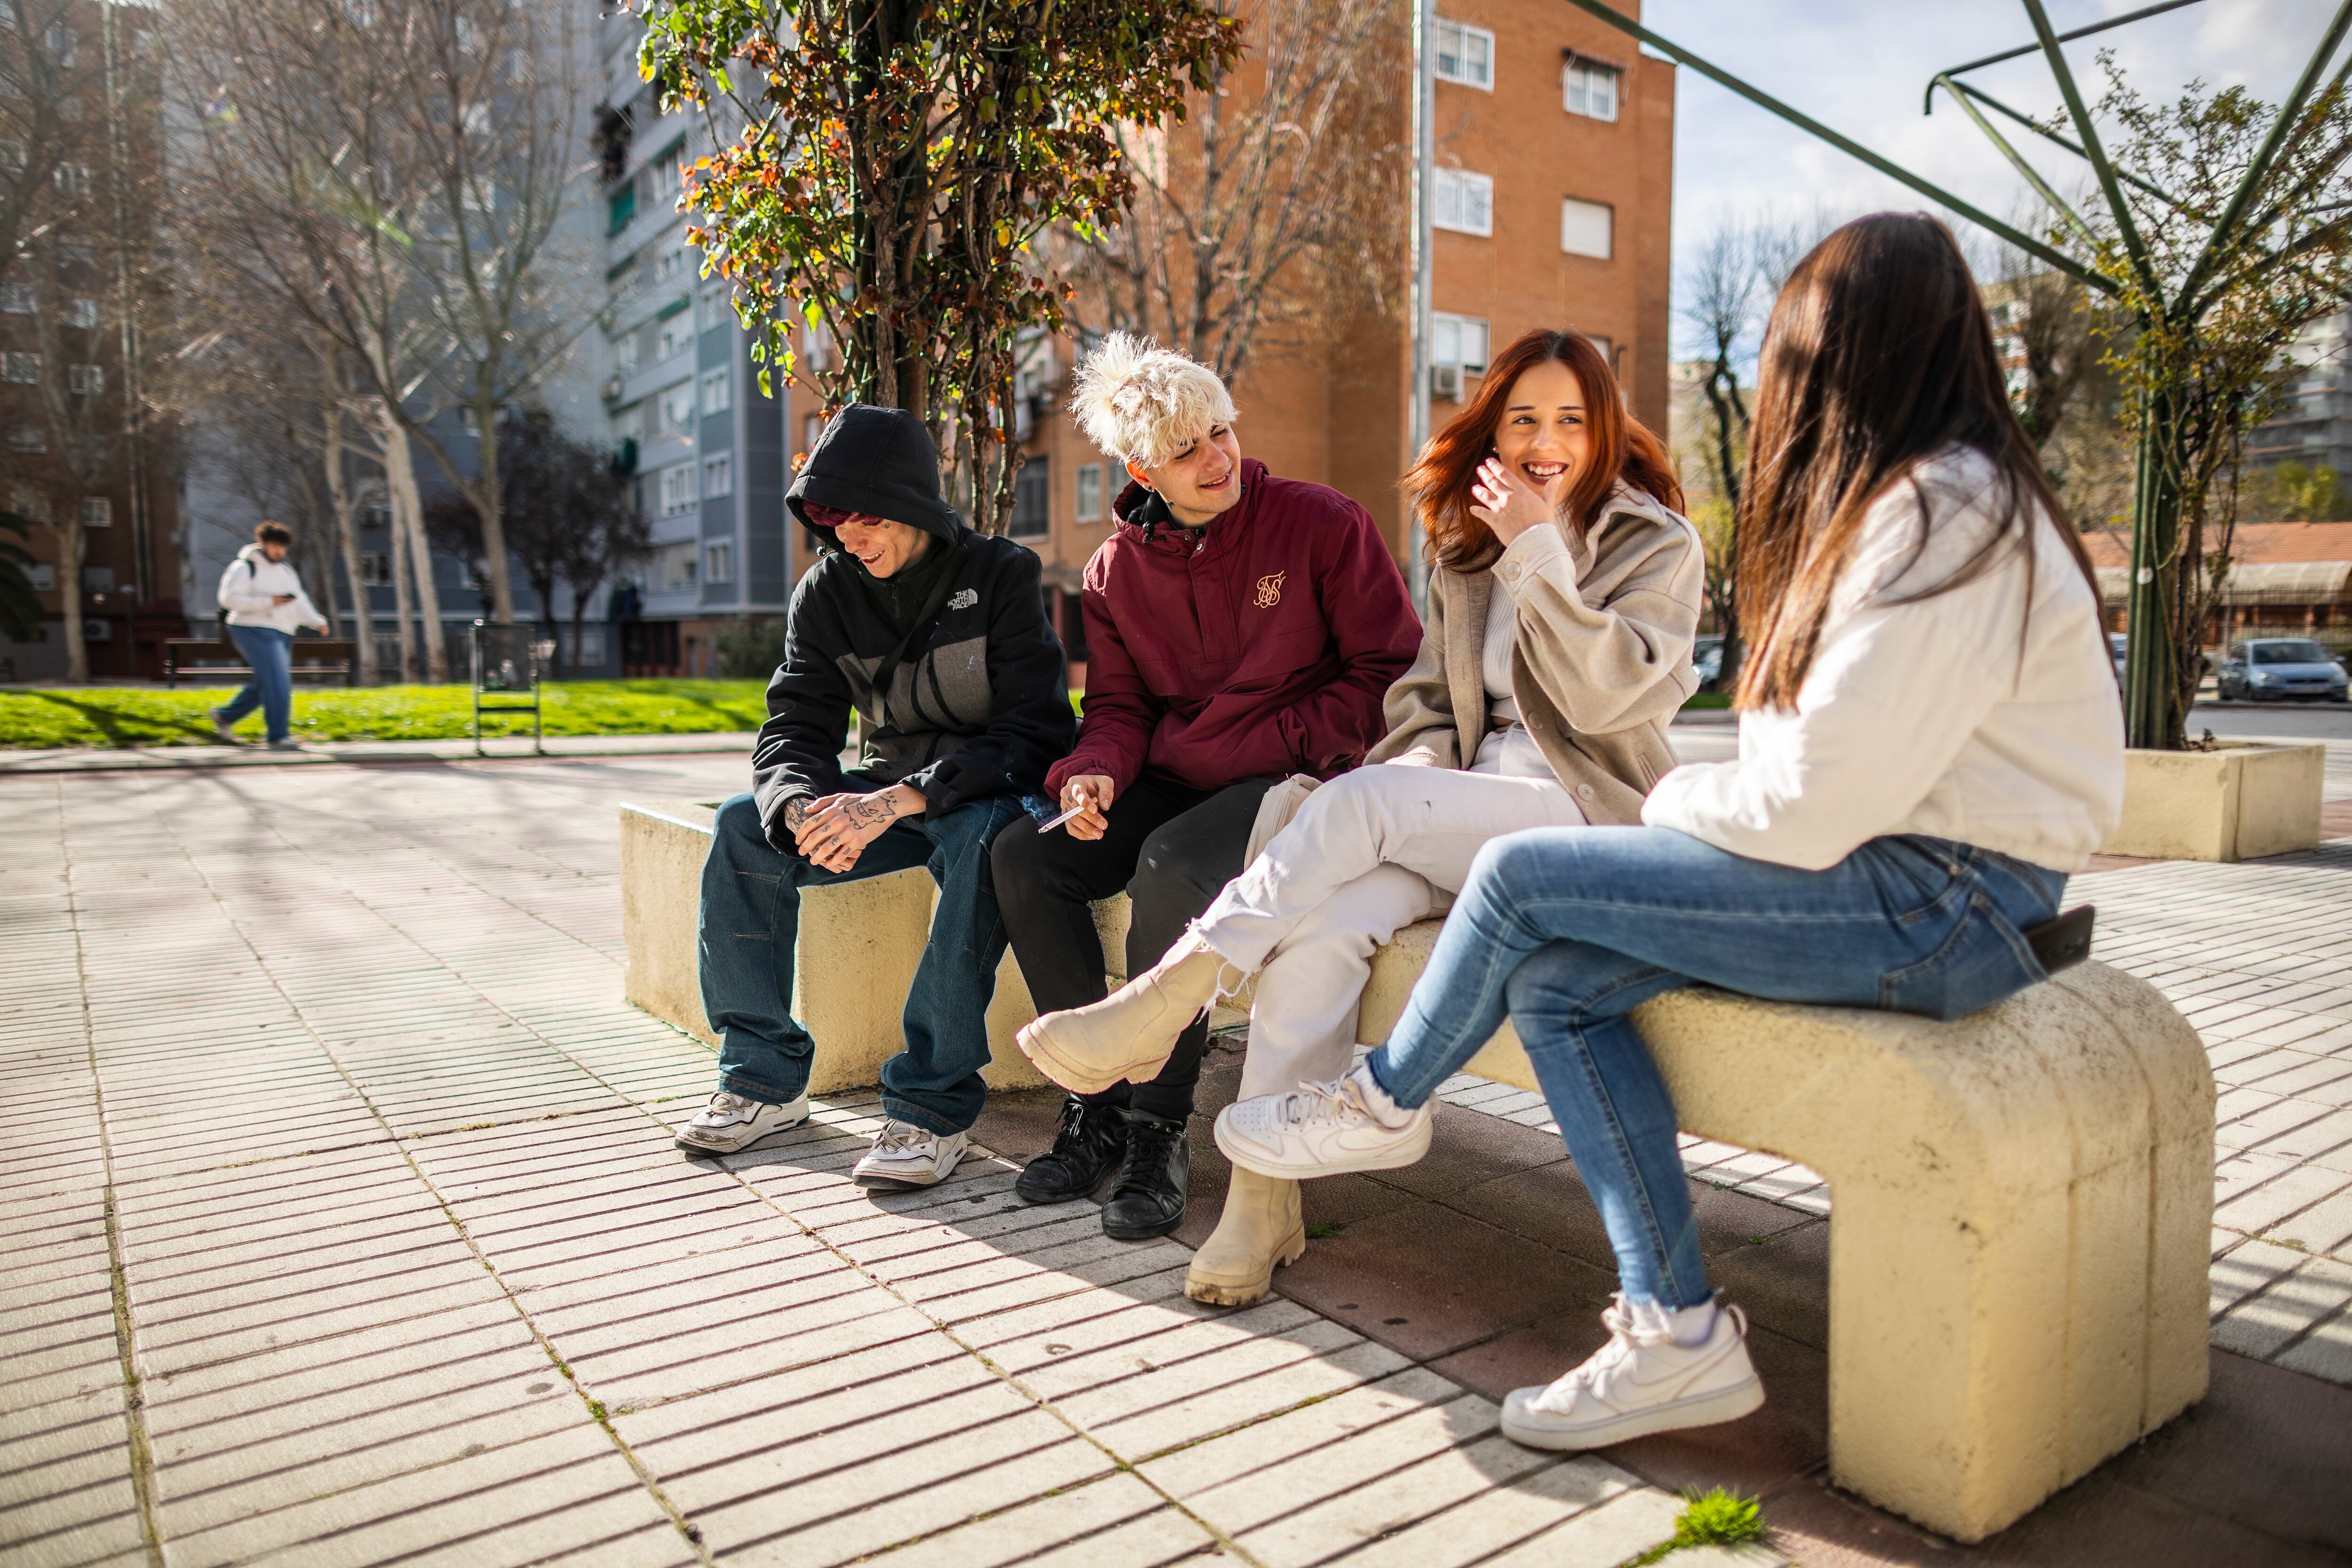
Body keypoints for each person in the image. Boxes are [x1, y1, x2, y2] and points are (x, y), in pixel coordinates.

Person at [1210, 213, 2124, 1452]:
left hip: (1942, 898)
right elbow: (1826, 780)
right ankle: (1675, 1329)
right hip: (1913, 875)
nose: (1774, 383)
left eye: (1784, 351)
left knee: (1525, 870)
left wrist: (1666, 803)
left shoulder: (1942, 511)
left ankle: (1382, 1098)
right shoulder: (1947, 497)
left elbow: (1803, 803)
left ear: (1833, 356)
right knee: (1561, 978)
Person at [1020, 329, 1702, 1307]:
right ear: (1492, 428)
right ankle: (1264, 1202)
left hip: (1583, 815)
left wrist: (1540, 549)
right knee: (1321, 929)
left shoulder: (1654, 543)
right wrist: (1421, 774)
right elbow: (1421, 705)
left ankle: (1166, 999)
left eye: (1569, 419)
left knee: (1361, 800)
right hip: (1465, 813)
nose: (1543, 440)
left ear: (1603, 430)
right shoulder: (1467, 549)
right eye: (1521, 418)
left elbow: (1611, 704)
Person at [992, 334, 1421, 1242]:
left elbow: (1389, 673)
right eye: (1188, 449)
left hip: (1296, 781)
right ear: (1145, 466)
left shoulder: (1319, 523)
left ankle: (1157, 1128)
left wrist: (1269, 739)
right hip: (1178, 772)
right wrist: (1093, 772)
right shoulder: (1113, 571)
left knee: (1170, 865)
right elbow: (1117, 704)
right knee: (1025, 857)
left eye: (1221, 431)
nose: (1218, 457)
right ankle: (1095, 1105)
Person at [678, 404, 1076, 1193]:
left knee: (986, 842)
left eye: (866, 518)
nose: (849, 538)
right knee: (741, 828)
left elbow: (1037, 732)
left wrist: (906, 798)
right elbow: (793, 724)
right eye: (831, 519)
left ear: (913, 503)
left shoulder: (1001, 574)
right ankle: (762, 1079)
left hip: (982, 793)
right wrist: (795, 806)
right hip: (885, 792)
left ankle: (931, 1107)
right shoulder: (825, 593)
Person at [211, 521, 330, 750]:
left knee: (268, 682)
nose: (279, 551)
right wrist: (269, 602)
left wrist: (317, 621)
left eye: (283, 547)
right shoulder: (244, 567)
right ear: (262, 543)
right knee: (278, 681)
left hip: (283, 631)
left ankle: (225, 716)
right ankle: (278, 736)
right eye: (275, 546)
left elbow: (300, 601)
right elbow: (228, 599)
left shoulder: (286, 572)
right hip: (251, 628)